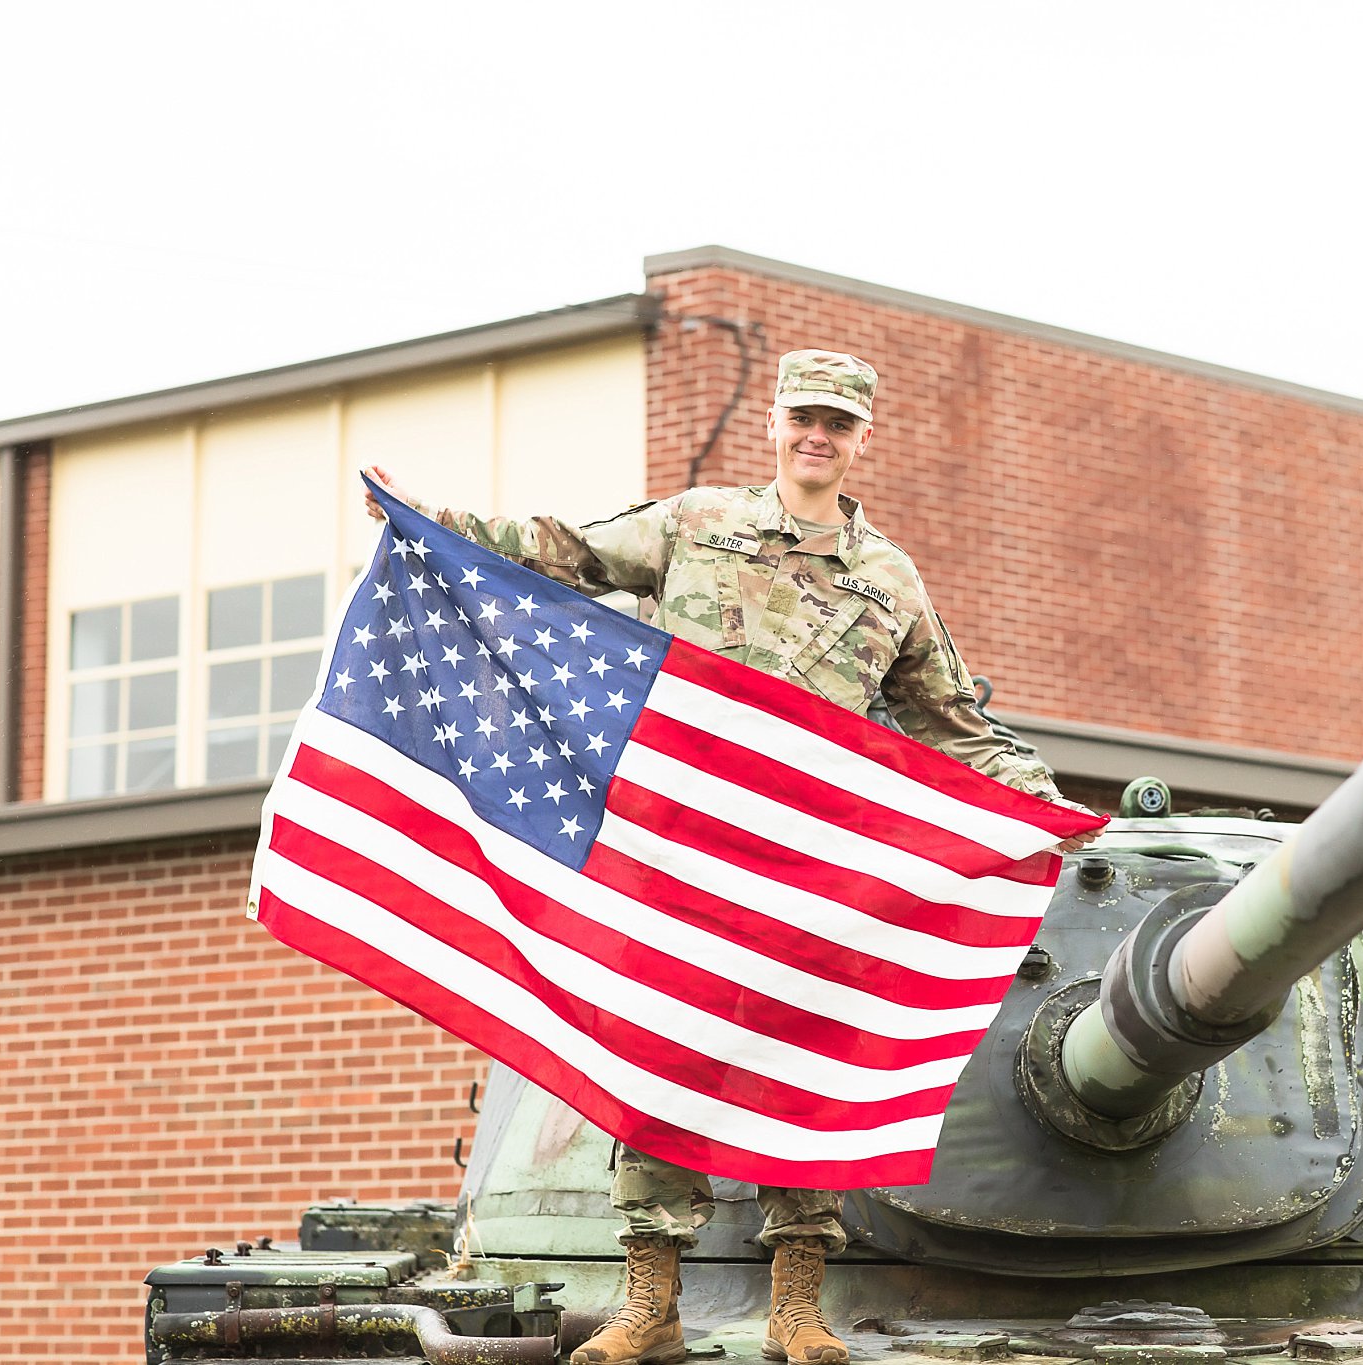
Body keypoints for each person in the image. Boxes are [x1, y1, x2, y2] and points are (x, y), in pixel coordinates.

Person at [364, 348, 1097, 1365]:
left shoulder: (886, 578)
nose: (817, 436)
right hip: (679, 850)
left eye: (837, 424)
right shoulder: (696, 524)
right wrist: (431, 522)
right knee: (662, 1056)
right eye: (804, 416)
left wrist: (1048, 805)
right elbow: (561, 550)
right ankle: (649, 1304)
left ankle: (795, 1307)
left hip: (812, 863)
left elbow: (955, 723)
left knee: (803, 1062)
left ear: (859, 439)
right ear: (775, 422)